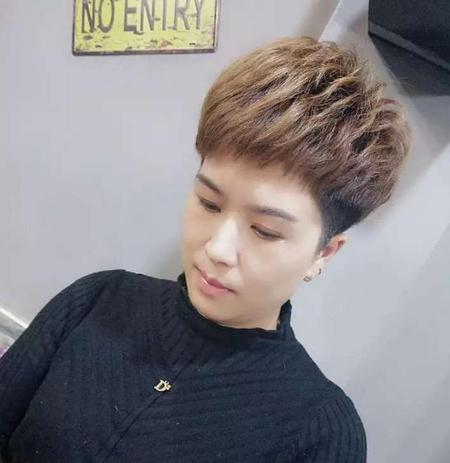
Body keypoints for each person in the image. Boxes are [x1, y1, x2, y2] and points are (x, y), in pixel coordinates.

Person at [0, 36, 410, 462]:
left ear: (323, 254)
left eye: (265, 230)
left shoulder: (321, 432)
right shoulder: (96, 301)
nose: (218, 248)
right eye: (209, 203)